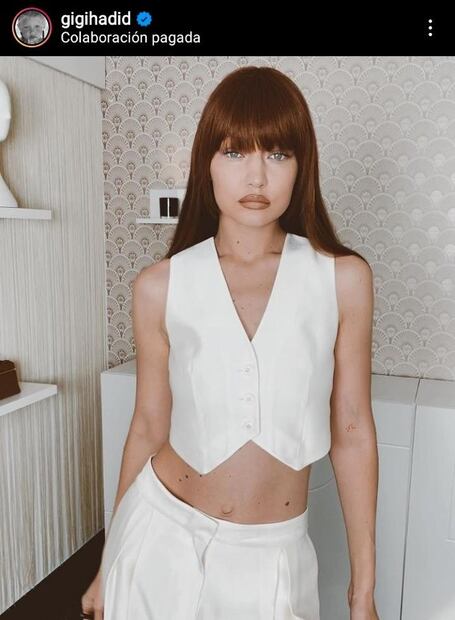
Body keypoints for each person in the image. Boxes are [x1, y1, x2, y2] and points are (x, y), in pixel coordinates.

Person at [81, 66, 379, 619]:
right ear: (207, 164)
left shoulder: (343, 278)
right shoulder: (159, 286)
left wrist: (363, 591)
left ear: (302, 166)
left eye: (278, 154)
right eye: (235, 152)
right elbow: (147, 425)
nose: (257, 177)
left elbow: (354, 429)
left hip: (274, 557)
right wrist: (106, 563)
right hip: (159, 538)